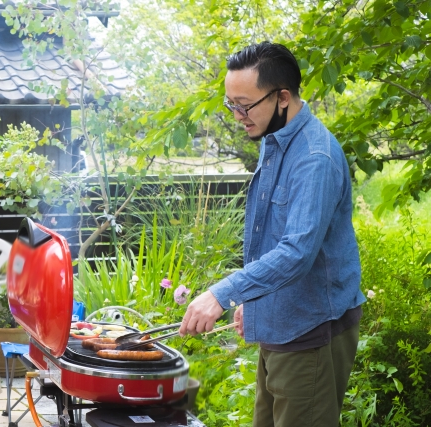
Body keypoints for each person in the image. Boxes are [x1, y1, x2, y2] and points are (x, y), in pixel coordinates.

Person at [179, 41, 366, 427]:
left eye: (244, 105)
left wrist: (222, 294)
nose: (237, 116)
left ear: (282, 97)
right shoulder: (274, 138)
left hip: (311, 329)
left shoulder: (315, 158)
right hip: (280, 321)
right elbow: (271, 234)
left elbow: (298, 251)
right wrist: (253, 297)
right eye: (231, 104)